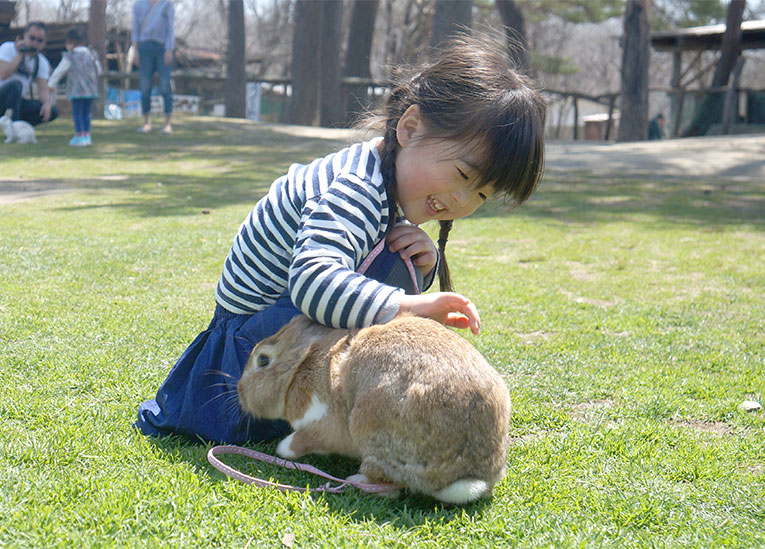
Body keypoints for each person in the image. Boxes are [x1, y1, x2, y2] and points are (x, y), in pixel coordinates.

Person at [135, 34, 547, 444]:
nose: (461, 200)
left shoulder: (385, 180)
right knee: (388, 309)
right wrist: (408, 305)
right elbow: (314, 282)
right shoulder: (357, 187)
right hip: (245, 360)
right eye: (461, 175)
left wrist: (420, 268)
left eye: (481, 195)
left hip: (275, 339)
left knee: (389, 272)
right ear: (410, 128)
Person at [47, 27, 102, 147]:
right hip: (90, 90)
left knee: (77, 113)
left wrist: (51, 83)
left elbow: (59, 71)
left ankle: (79, 136)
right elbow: (99, 70)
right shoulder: (92, 54)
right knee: (86, 113)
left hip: (77, 90)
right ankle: (87, 136)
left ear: (71, 41)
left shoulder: (70, 56)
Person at [0, 21, 59, 127]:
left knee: (53, 111)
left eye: (39, 40)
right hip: (3, 96)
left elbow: (43, 88)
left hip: (17, 103)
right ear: (24, 36)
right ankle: (15, 127)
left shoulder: (41, 62)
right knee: (15, 85)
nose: (35, 42)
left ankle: (21, 126)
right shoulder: (8, 48)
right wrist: (19, 55)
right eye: (32, 38)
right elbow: (3, 74)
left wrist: (47, 103)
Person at [132, 0, 175, 135]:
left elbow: (170, 28)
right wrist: (135, 51)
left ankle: (167, 123)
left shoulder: (166, 4)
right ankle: (146, 122)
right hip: (144, 47)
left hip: (162, 47)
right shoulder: (138, 5)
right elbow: (135, 29)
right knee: (145, 86)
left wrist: (169, 49)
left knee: (165, 85)